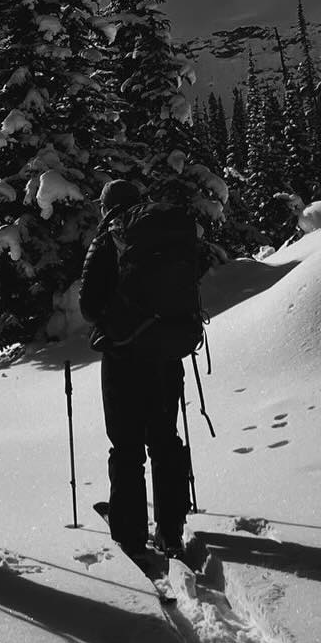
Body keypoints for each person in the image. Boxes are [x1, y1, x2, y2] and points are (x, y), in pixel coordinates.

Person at [79, 175, 206, 568]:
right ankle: (171, 527)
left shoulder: (110, 239)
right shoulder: (165, 233)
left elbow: (88, 303)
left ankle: (131, 532)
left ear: (106, 207)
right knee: (165, 439)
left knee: (128, 446)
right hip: (168, 353)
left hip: (124, 358)